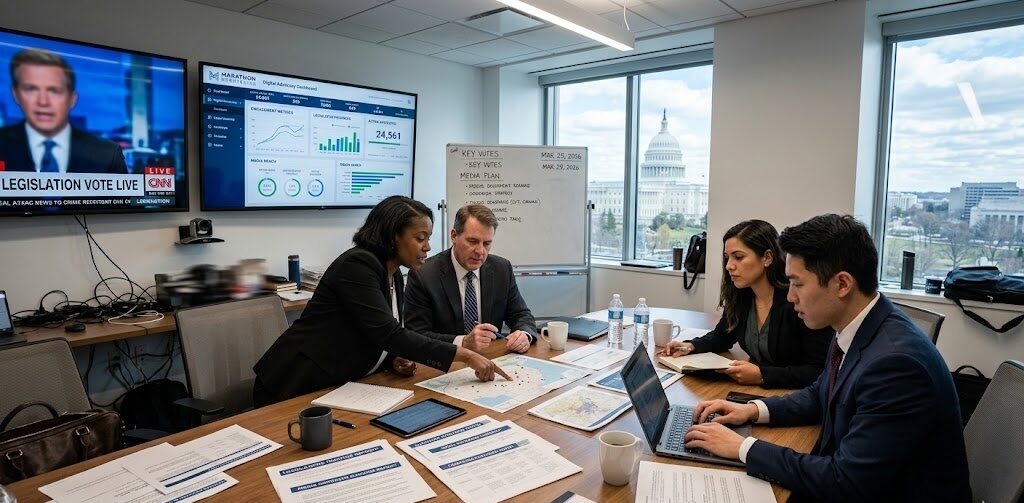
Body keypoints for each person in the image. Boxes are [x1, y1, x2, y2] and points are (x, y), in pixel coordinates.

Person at [683, 214, 971, 502]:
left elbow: (845, 481)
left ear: (842, 284)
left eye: (797, 283)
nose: (791, 296)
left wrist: (744, 448)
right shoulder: (857, 325)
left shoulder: (895, 365)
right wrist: (752, 410)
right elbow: (821, 394)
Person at [252, 196, 510, 406]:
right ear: (392, 237)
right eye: (420, 238)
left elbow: (376, 334)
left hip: (340, 387)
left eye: (428, 239)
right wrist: (464, 355)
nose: (428, 247)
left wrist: (391, 359)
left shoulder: (394, 272)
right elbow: (390, 333)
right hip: (294, 385)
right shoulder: (358, 265)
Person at [658, 220, 832, 388]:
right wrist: (691, 346)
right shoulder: (742, 296)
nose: (729, 266)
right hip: (754, 391)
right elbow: (723, 335)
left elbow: (819, 370)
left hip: (792, 397)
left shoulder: (797, 301)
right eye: (727, 258)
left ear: (767, 258)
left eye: (738, 257)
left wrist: (763, 375)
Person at [405, 204, 536, 354]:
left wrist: (524, 335)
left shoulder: (501, 269)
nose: (480, 251)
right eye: (473, 241)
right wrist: (463, 342)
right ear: (454, 236)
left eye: (487, 243)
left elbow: (521, 315)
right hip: (446, 363)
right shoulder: (423, 275)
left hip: (491, 358)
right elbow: (416, 335)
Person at [0, 48, 127, 174]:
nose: (43, 102)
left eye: (54, 91)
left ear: (72, 98)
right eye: (31, 89)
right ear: (16, 94)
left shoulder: (108, 154)